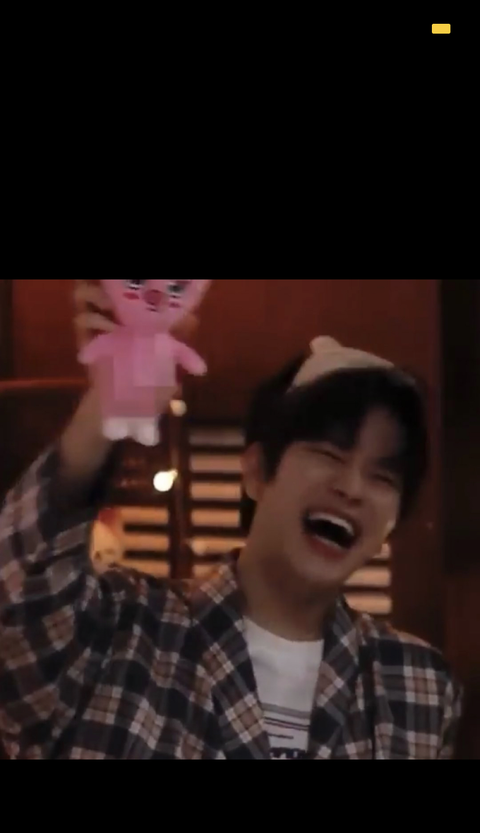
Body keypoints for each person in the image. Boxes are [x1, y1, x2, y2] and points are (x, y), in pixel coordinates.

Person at [0, 283, 463, 759]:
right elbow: (19, 596)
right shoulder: (116, 629)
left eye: (382, 477)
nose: (352, 487)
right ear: (256, 472)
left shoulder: (417, 685)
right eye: (328, 453)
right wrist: (105, 409)